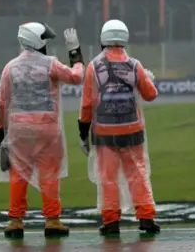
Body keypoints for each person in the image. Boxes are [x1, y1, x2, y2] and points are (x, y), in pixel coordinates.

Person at [0, 22, 84, 238]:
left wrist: (1, 134)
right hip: (47, 129)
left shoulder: (10, 67)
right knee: (49, 175)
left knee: (18, 175)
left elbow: (1, 103)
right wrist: (75, 53)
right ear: (38, 40)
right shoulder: (50, 64)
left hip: (19, 129)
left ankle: (15, 221)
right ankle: (52, 221)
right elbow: (76, 77)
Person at [77, 19, 160, 236]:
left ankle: (111, 221)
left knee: (108, 178)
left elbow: (87, 104)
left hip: (104, 133)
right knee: (138, 174)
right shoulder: (134, 65)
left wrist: (83, 133)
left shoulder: (94, 67)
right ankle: (146, 217)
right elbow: (150, 95)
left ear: (103, 38)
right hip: (132, 131)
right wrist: (148, 79)